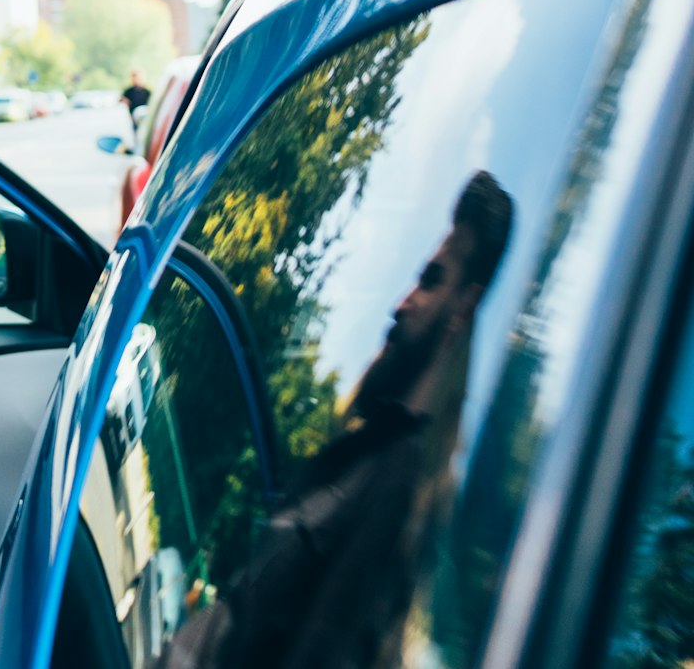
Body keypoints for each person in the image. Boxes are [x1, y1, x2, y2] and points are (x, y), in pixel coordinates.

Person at [162, 170, 516, 669]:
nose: (401, 304)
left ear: (463, 308)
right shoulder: (371, 454)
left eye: (431, 281)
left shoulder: (396, 486)